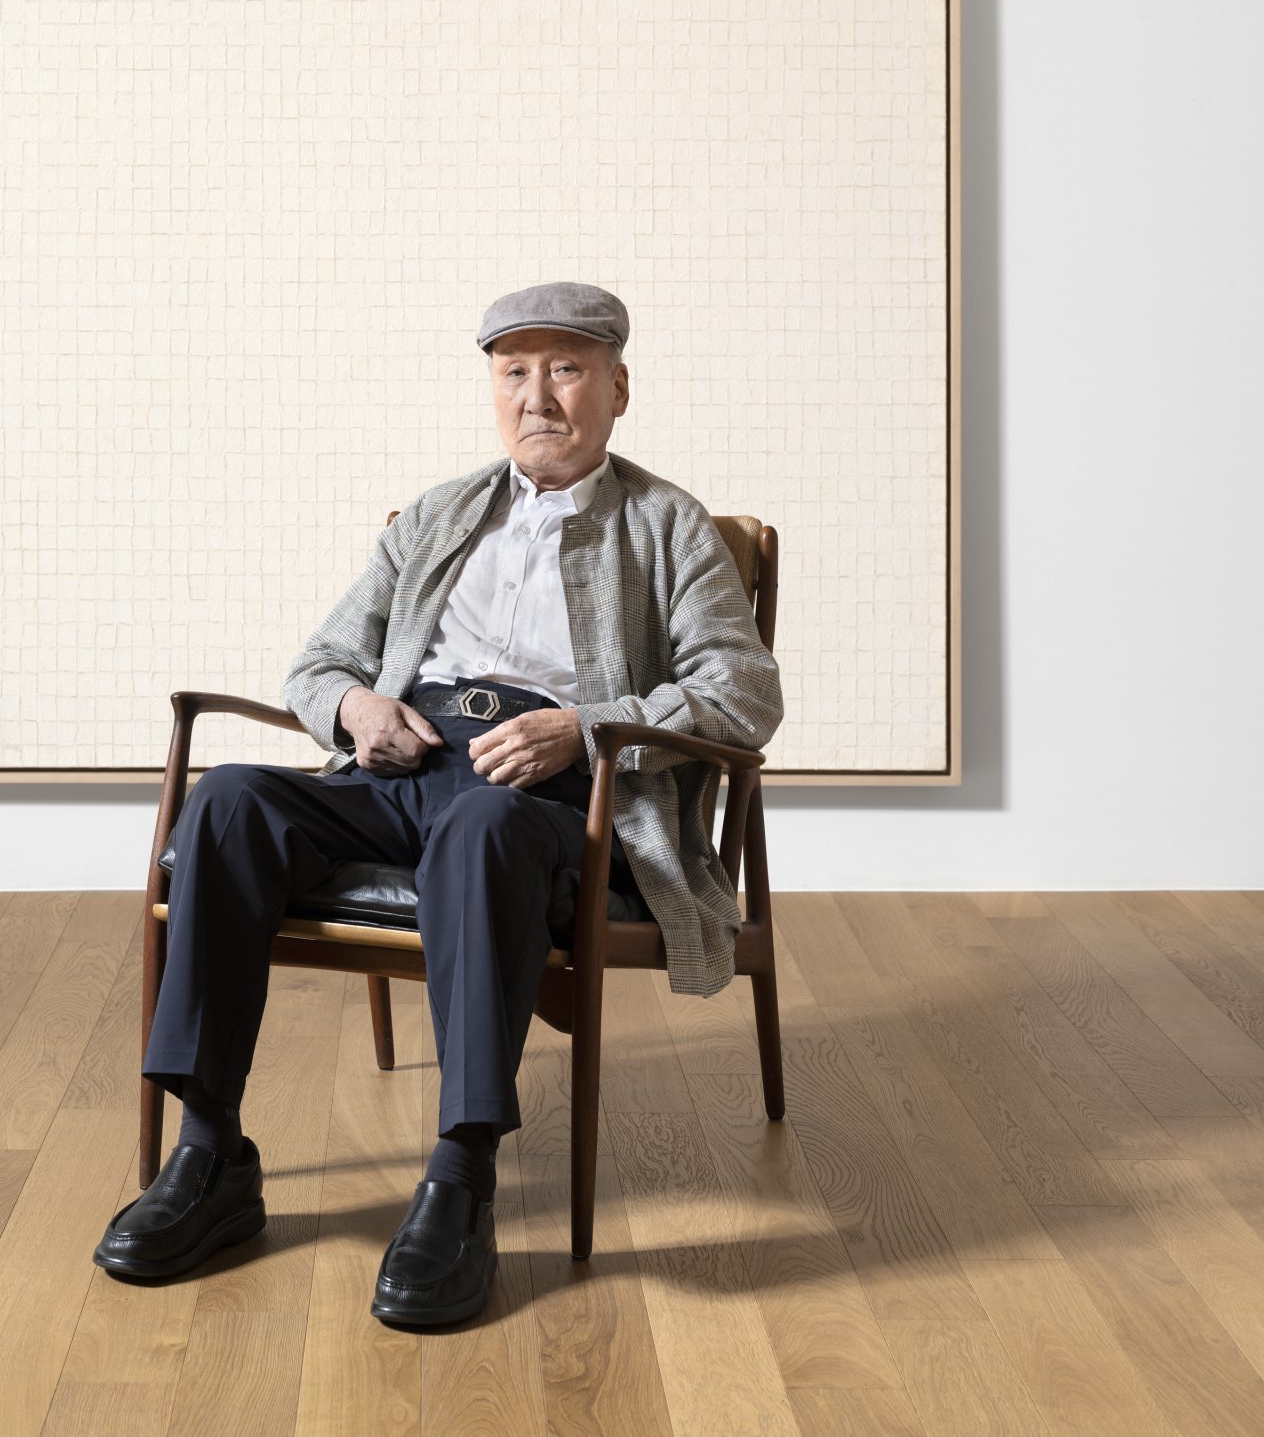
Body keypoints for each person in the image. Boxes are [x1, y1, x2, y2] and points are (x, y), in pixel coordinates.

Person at [92, 281, 783, 1323]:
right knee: (230, 800)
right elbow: (320, 662)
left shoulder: (669, 526)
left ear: (617, 388)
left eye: (566, 369)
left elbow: (744, 692)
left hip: (556, 797)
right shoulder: (435, 516)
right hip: (402, 767)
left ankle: (461, 1178)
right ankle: (211, 1152)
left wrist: (586, 725)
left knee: (482, 825)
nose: (538, 395)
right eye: (515, 372)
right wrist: (355, 707)